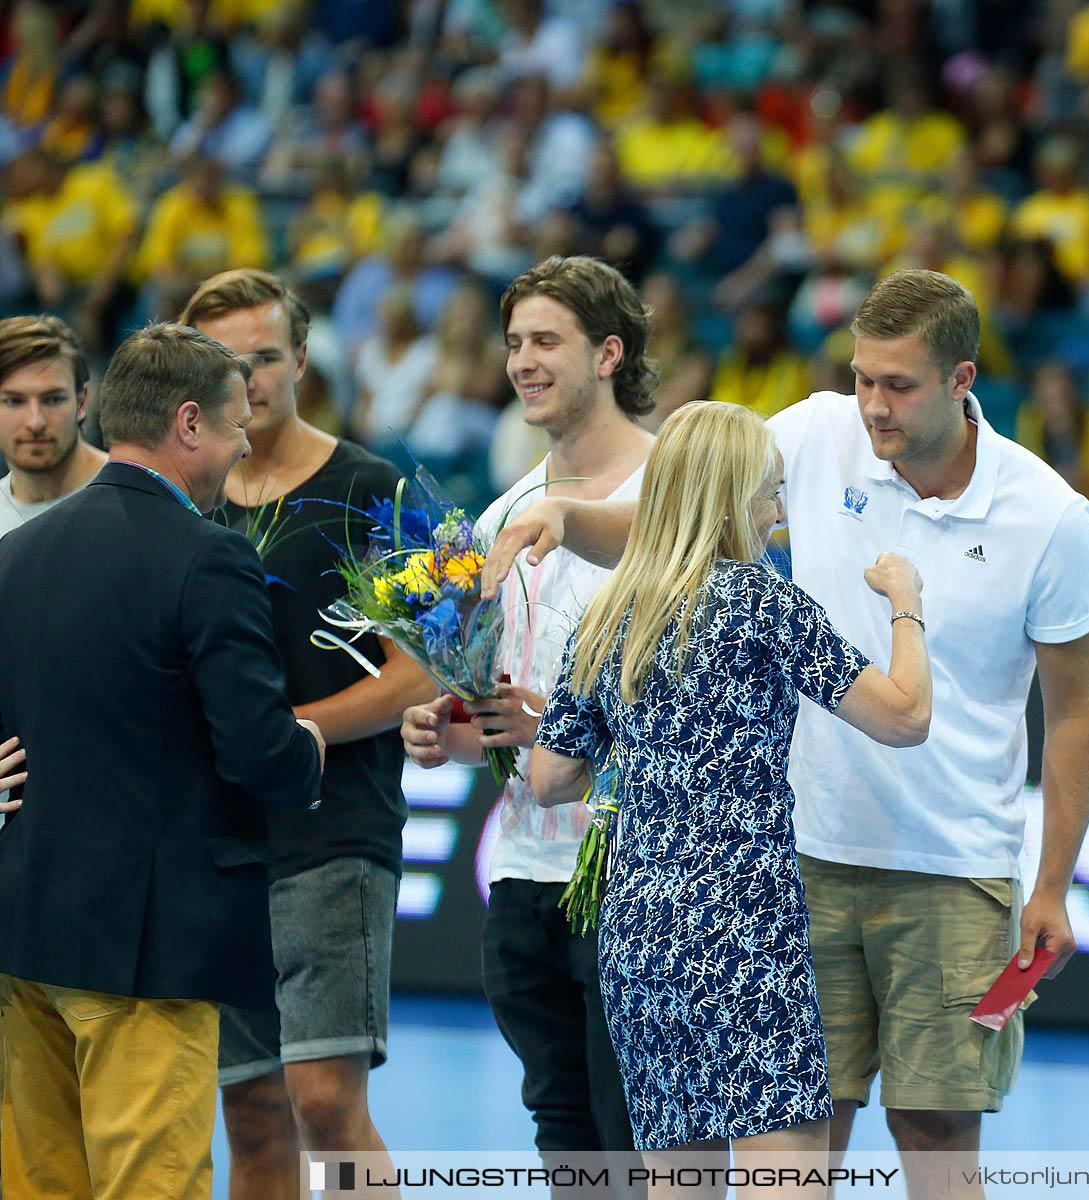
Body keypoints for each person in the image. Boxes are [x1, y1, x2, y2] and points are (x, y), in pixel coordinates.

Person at [482, 269, 1089, 1197]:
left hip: (949, 865)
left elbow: (1077, 713)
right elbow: (681, 514)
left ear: (963, 379)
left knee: (930, 1134)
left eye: (898, 386)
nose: (872, 405)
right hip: (795, 871)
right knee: (804, 1145)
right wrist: (570, 514)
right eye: (862, 379)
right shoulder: (811, 445)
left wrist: (1052, 882)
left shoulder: (1049, 513)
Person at [530, 401, 930, 1189]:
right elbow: (905, 716)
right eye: (770, 493)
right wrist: (905, 603)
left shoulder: (607, 614)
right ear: (730, 499)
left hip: (641, 936)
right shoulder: (763, 604)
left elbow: (548, 779)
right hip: (746, 932)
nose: (779, 514)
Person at [0, 322, 325, 1200]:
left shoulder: (14, 554)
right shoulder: (209, 556)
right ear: (188, 424)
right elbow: (261, 753)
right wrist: (312, 746)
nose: (244, 443)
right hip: (147, 950)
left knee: (38, 1186)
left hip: (23, 932)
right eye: (233, 425)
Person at [177, 268, 435, 1200]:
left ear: (300, 359)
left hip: (332, 828)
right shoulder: (180, 500)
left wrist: (283, 733)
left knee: (324, 1099)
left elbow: (427, 666)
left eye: (266, 358)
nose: (247, 382)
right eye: (226, 364)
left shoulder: (375, 489)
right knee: (249, 1114)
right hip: (211, 842)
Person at [399, 255, 652, 1197]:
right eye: (514, 343)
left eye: (547, 340)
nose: (522, 362)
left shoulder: (675, 496)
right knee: (563, 1127)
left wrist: (580, 729)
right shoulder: (499, 516)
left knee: (639, 1129)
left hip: (635, 870)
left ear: (610, 353)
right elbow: (499, 718)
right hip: (523, 872)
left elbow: (722, 701)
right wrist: (452, 731)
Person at [0, 315, 107, 539]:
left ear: (82, 402)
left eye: (54, 399)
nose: (35, 422)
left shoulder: (132, 493)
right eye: (14, 401)